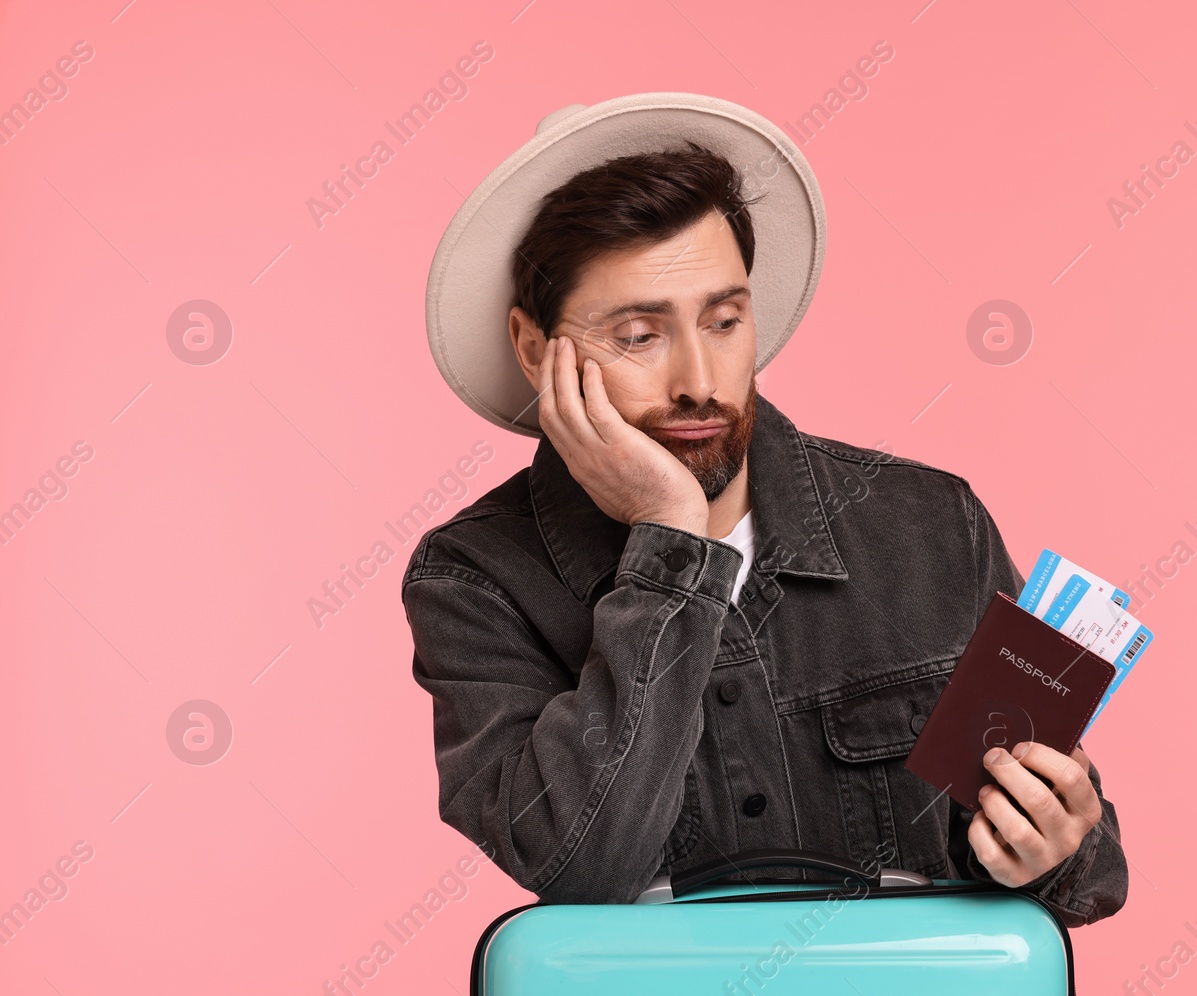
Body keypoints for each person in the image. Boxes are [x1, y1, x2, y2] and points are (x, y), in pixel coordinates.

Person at [403, 94, 1127, 929]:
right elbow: (580, 865)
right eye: (638, 335)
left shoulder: (932, 523)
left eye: (724, 320)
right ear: (536, 349)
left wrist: (1061, 846)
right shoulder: (475, 581)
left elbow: (1088, 866)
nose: (699, 381)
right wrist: (670, 540)